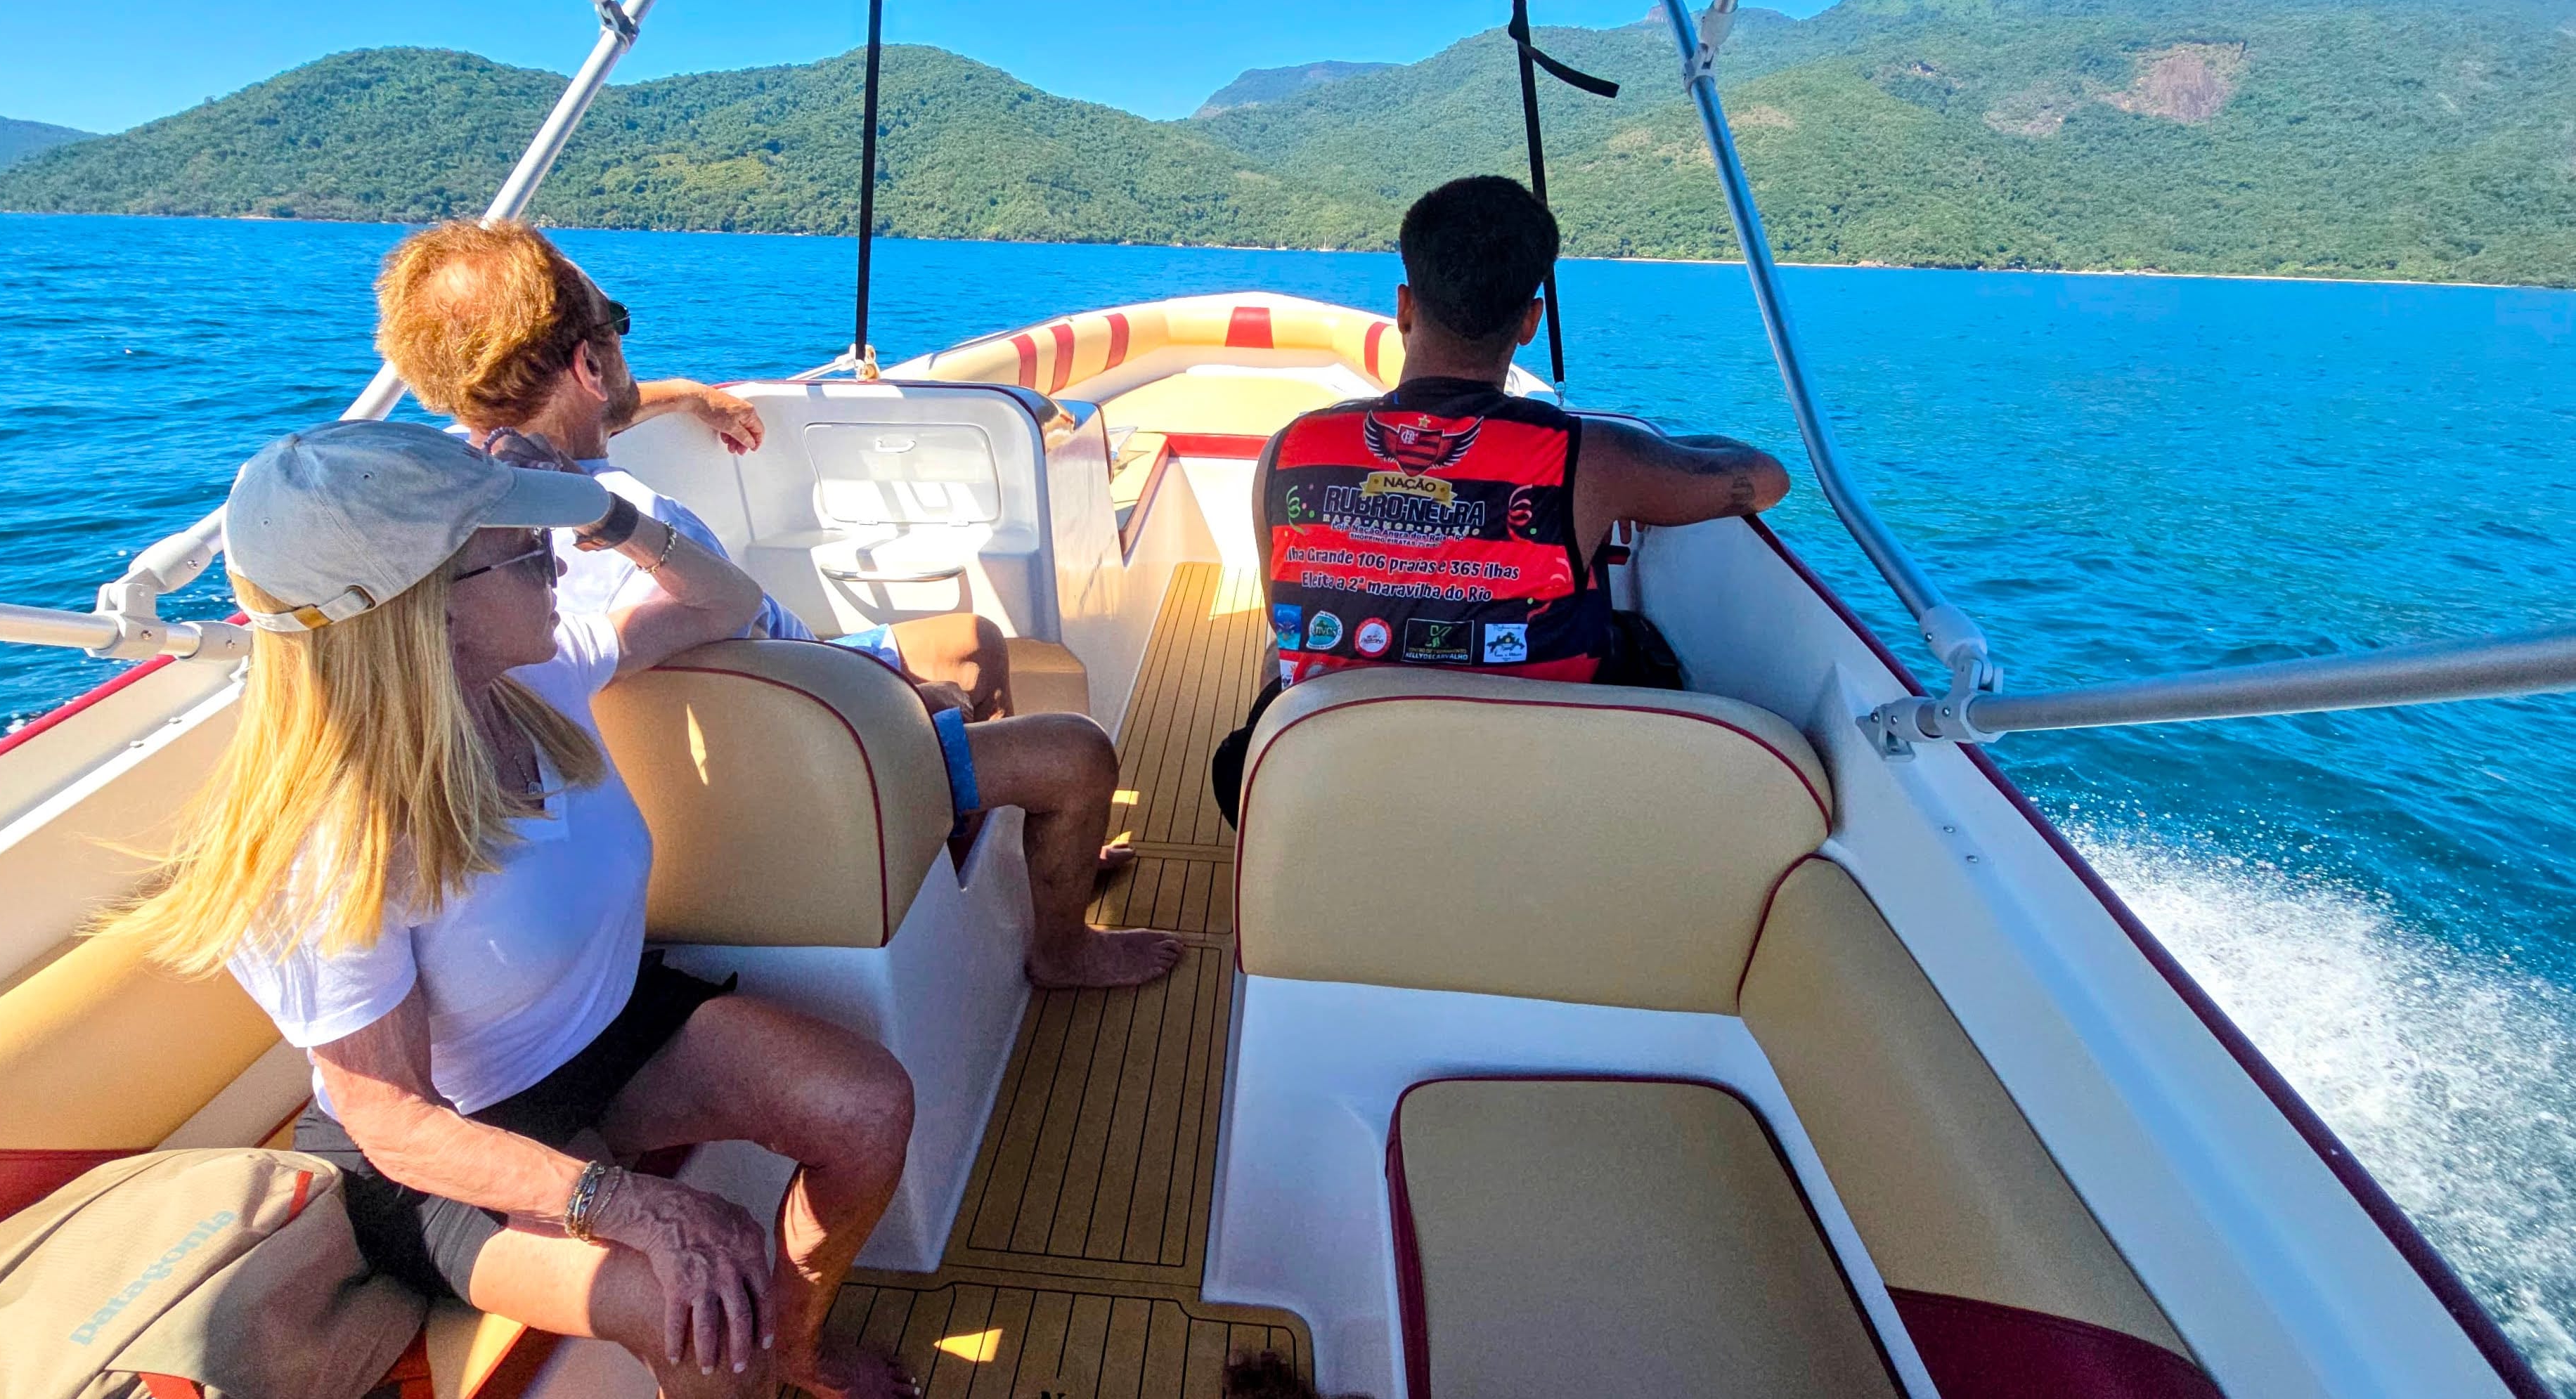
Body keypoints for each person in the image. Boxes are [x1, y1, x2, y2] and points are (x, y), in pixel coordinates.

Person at [108, 420, 919, 1398]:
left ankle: (798, 1348)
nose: (556, 570)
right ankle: (758, 1354)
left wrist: (605, 515)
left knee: (866, 1108)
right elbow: (391, 1116)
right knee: (706, 1321)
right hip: (445, 1152)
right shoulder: (326, 837)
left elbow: (725, 601)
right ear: (424, 613)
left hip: (607, 1037)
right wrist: (626, 1206)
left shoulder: (532, 672)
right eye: (524, 553)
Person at [373, 219, 1179, 991]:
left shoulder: (434, 503)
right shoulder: (642, 532)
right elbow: (755, 662)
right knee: (1078, 756)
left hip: (678, 763)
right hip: (808, 744)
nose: (625, 344)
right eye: (616, 324)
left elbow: (589, 412)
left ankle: (976, 841)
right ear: (588, 363)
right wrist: (905, 710)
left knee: (972, 643)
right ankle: (1059, 944)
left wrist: (690, 396)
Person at [1214, 176, 1790, 821]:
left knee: (1275, 655)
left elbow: (1282, 612)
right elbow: (1765, 479)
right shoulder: (1592, 458)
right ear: (1528, 322)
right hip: (1528, 797)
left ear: (1404, 309)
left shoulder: (1291, 449)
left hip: (1331, 787)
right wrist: (1644, 445)